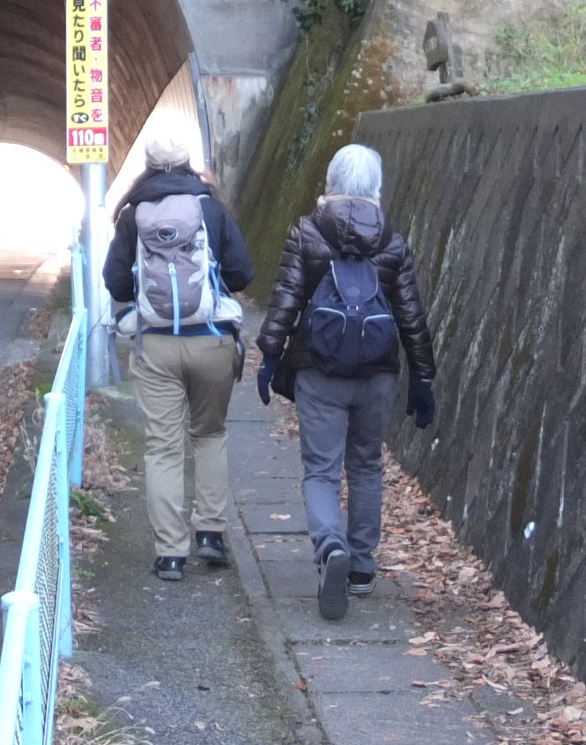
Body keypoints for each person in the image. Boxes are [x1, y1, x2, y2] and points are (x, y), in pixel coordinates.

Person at [252, 142, 437, 621]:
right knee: (367, 467)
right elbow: (410, 314)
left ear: (331, 181)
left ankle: (330, 547)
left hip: (320, 371)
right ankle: (360, 568)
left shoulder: (308, 232)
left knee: (320, 470)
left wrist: (270, 356)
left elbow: (287, 299)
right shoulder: (390, 240)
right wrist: (423, 377)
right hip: (376, 374)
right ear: (376, 186)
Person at [101, 132, 253, 582]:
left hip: (157, 347)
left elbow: (116, 282)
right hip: (211, 341)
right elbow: (243, 272)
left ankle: (170, 553)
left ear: (147, 167)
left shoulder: (133, 214)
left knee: (162, 448)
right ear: (189, 163)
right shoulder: (209, 207)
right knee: (209, 435)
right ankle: (210, 532)